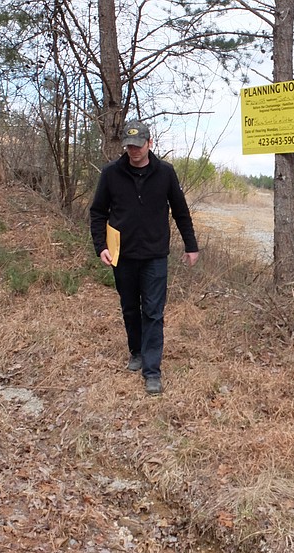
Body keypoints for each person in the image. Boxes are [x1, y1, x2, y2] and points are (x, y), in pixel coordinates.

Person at [90, 120, 199, 395]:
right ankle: (136, 351)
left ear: (150, 144)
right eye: (129, 146)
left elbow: (181, 211)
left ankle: (152, 371)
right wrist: (100, 245)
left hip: (155, 255)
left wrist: (191, 245)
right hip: (121, 254)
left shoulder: (165, 173)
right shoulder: (111, 174)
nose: (134, 151)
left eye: (138, 146)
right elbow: (98, 212)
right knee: (129, 307)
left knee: (152, 311)